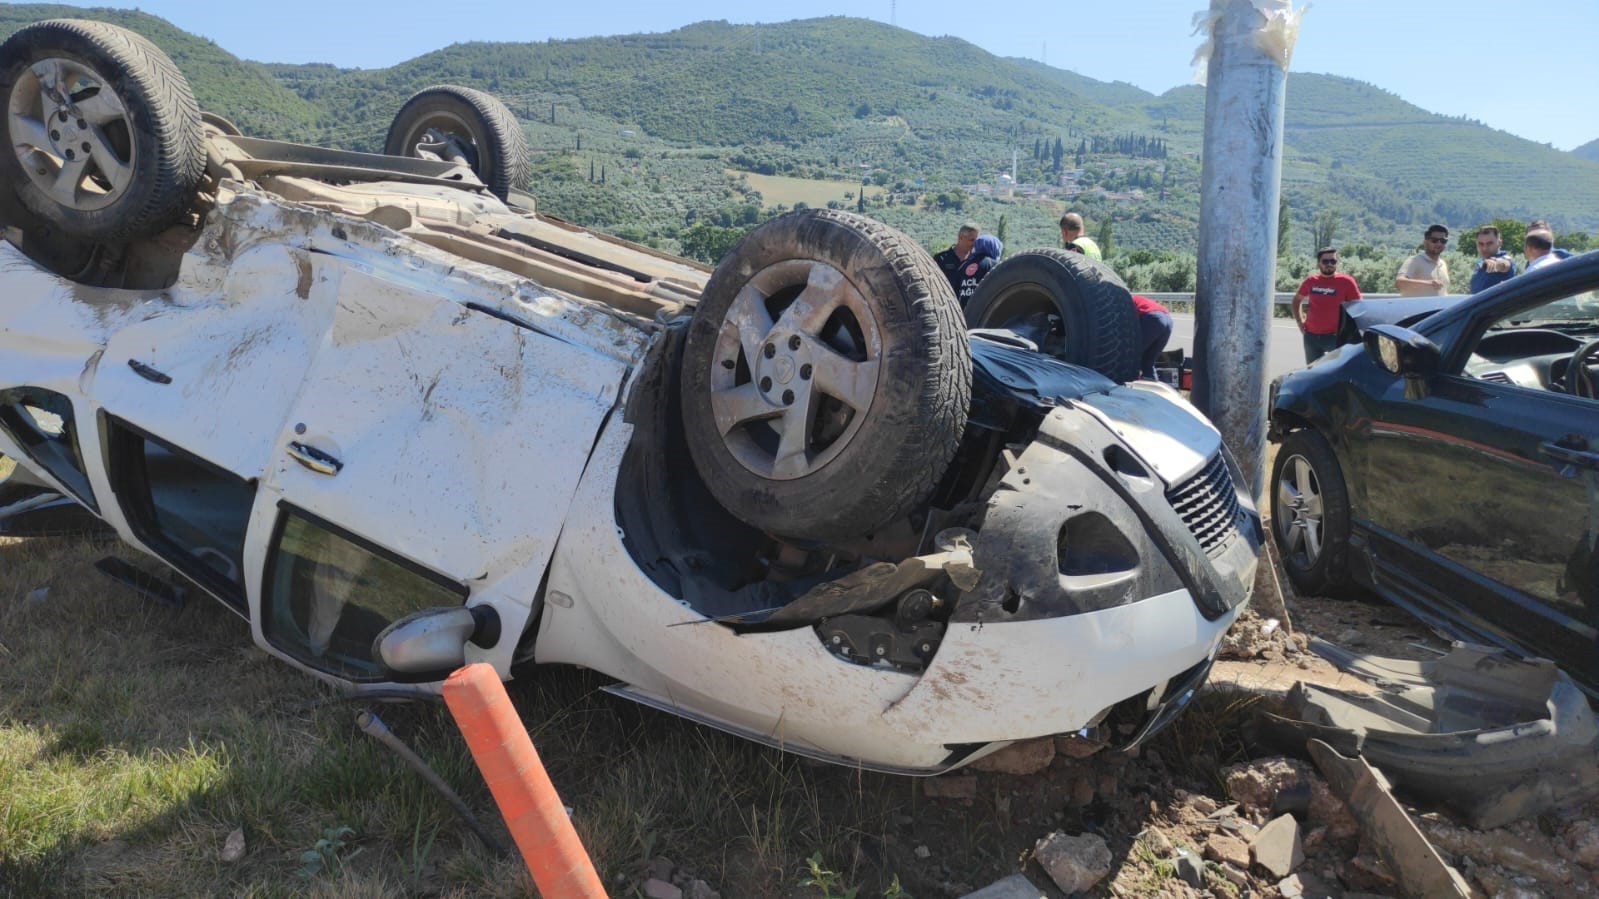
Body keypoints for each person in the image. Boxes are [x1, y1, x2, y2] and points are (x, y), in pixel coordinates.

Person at [1292, 247, 1362, 363]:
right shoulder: (1311, 281)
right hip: (1311, 337)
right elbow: (1296, 300)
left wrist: (1351, 332)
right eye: (1325, 261)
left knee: (1337, 370)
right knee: (1313, 372)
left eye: (1333, 261)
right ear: (1318, 263)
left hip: (1335, 337)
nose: (1329, 264)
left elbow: (1358, 307)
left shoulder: (1347, 282)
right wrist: (1300, 322)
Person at [1395, 224, 1451, 296]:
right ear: (1425, 242)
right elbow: (1399, 283)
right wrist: (1428, 283)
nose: (1439, 243)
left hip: (1440, 307)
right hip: (1418, 307)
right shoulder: (1415, 260)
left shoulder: (1442, 264)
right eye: (1434, 240)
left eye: (1443, 241)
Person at [954, 234, 1002, 308]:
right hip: (985, 313)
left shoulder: (963, 265)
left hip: (963, 314)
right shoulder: (994, 265)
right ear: (994, 247)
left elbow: (955, 292)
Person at [1131, 294, 1172, 380]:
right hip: (1168, 320)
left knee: (1131, 357)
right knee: (1148, 362)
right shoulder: (1137, 298)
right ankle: (1152, 389)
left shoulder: (1124, 301)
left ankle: (1127, 389)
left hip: (1152, 318)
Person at [933, 223, 978, 296]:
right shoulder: (941, 258)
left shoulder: (975, 261)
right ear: (961, 237)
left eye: (976, 240)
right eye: (972, 240)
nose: (974, 243)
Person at [1469, 225, 1517, 293]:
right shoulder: (1480, 262)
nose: (1484, 248)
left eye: (1489, 243)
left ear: (1499, 243)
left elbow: (1505, 264)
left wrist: (1495, 263)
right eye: (1481, 244)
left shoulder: (1505, 259)